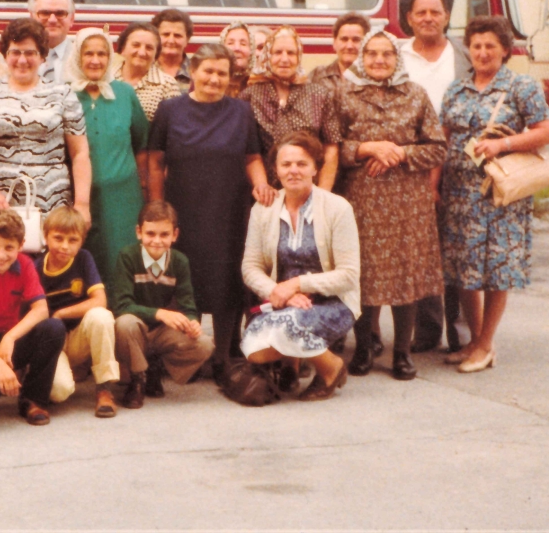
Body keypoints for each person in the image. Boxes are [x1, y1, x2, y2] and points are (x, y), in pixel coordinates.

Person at [148, 43, 272, 379]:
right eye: (208, 71)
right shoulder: (170, 109)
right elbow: (155, 161)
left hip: (229, 207)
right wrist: (158, 208)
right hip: (182, 208)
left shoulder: (241, 111)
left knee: (227, 280)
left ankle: (223, 357)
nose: (214, 79)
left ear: (231, 77)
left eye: (222, 73)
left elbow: (252, 158)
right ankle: (181, 352)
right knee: (181, 278)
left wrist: (260, 185)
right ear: (194, 72)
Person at [439, 16, 549, 373]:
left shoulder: (522, 86)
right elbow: (444, 138)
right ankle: (474, 340)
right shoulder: (456, 90)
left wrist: (503, 143)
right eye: (476, 46)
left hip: (499, 194)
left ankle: (487, 344)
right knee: (464, 270)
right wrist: (435, 184)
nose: (483, 52)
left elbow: (546, 132)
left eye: (491, 46)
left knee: (495, 270)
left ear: (505, 50)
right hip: (459, 194)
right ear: (468, 50)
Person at [337, 33, 447, 380]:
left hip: (407, 201)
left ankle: (401, 353)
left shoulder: (415, 94)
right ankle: (365, 349)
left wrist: (400, 152)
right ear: (362, 57)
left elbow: (438, 147)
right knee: (364, 273)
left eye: (387, 54)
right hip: (363, 199)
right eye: (371, 53)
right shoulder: (344, 94)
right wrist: (367, 149)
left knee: (405, 274)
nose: (379, 60)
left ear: (396, 59)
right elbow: (333, 147)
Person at [240, 132, 360, 401]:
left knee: (285, 328)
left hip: (331, 302)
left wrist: (296, 284)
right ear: (276, 170)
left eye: (302, 164)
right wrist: (278, 292)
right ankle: (293, 362)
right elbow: (250, 267)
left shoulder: (337, 208)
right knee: (252, 347)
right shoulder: (264, 209)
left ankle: (331, 368)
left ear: (316, 168)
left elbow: (349, 275)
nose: (293, 170)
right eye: (286, 164)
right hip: (284, 302)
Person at [398, 0, 474, 353]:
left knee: (455, 249)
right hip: (409, 163)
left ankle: (460, 331)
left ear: (447, 16)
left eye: (436, 11)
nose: (428, 17)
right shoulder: (395, 55)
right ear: (409, 18)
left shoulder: (465, 54)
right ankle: (426, 329)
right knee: (421, 251)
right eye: (421, 12)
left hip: (460, 163)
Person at [0, 18, 92, 221]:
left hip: (53, 200)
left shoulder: (62, 94)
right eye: (15, 52)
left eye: (30, 53)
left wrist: (82, 203)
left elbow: (80, 153)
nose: (22, 60)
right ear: (5, 55)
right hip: (0, 202)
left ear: (43, 57)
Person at [0, 208, 66, 425]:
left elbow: (41, 310)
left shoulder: (25, 264)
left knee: (53, 328)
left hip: (11, 337)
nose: (1, 255)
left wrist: (10, 338)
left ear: (21, 245)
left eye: (9, 247)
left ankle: (33, 399)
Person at [107, 201, 215, 409]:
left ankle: (155, 367)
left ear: (175, 235)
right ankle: (137, 378)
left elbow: (188, 306)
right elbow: (121, 305)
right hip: (136, 330)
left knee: (204, 344)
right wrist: (160, 313)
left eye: (164, 235)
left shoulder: (179, 261)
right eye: (150, 234)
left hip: (160, 334)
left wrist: (192, 323)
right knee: (125, 323)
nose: (157, 241)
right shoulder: (128, 257)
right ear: (139, 232)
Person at [64, 26, 148, 278]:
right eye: (88, 53)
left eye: (102, 54)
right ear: (77, 56)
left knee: (120, 261)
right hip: (78, 195)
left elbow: (141, 142)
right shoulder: (63, 94)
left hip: (122, 198)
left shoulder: (124, 93)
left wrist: (141, 188)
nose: (95, 60)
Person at [35, 206, 119, 418]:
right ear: (45, 237)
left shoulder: (83, 258)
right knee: (59, 392)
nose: (65, 246)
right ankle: (69, 372)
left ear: (82, 241)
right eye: (58, 238)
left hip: (78, 336)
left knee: (101, 316)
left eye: (72, 240)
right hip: (53, 344)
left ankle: (104, 388)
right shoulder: (36, 268)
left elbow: (100, 300)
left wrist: (61, 313)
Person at [241, 26, 341, 192]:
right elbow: (250, 151)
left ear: (299, 57)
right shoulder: (250, 96)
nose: (284, 59)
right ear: (267, 56)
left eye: (291, 53)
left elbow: (331, 147)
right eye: (278, 52)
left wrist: (323, 193)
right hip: (268, 192)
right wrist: (262, 185)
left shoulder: (318, 94)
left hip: (310, 189)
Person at [110, 22, 180, 122]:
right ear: (122, 49)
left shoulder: (168, 85)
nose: (142, 52)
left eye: (149, 48)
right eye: (136, 45)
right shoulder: (105, 79)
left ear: (156, 54)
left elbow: (174, 126)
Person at [309, 12, 369, 96]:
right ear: (334, 43)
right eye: (344, 39)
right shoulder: (317, 75)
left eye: (356, 40)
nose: (349, 46)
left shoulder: (373, 79)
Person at [29, 0, 75, 84]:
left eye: (60, 13)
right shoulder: (13, 59)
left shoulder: (84, 59)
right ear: (31, 17)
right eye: (45, 13)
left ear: (71, 19)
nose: (52, 20)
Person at [152, 8, 193, 92]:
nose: (171, 41)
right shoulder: (144, 69)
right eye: (165, 34)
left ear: (187, 39)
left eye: (177, 36)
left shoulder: (198, 71)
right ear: (155, 37)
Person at [218, 21, 255, 97]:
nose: (237, 48)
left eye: (243, 44)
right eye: (230, 43)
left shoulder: (259, 85)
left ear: (251, 50)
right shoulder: (213, 81)